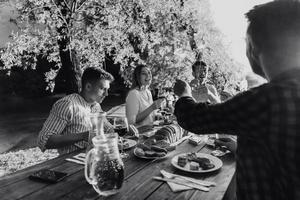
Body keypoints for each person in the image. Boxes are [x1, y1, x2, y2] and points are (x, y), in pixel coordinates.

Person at [173, 1, 300, 200]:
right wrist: (240, 146)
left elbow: (192, 118)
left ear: (252, 48)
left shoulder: (265, 100)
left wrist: (184, 93)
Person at [38, 67, 114, 155]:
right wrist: (83, 136)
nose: (107, 94)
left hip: (95, 159)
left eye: (107, 90)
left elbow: (108, 128)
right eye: (102, 89)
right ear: (88, 86)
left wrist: (125, 129)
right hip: (71, 165)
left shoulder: (96, 105)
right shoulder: (68, 104)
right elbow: (44, 140)